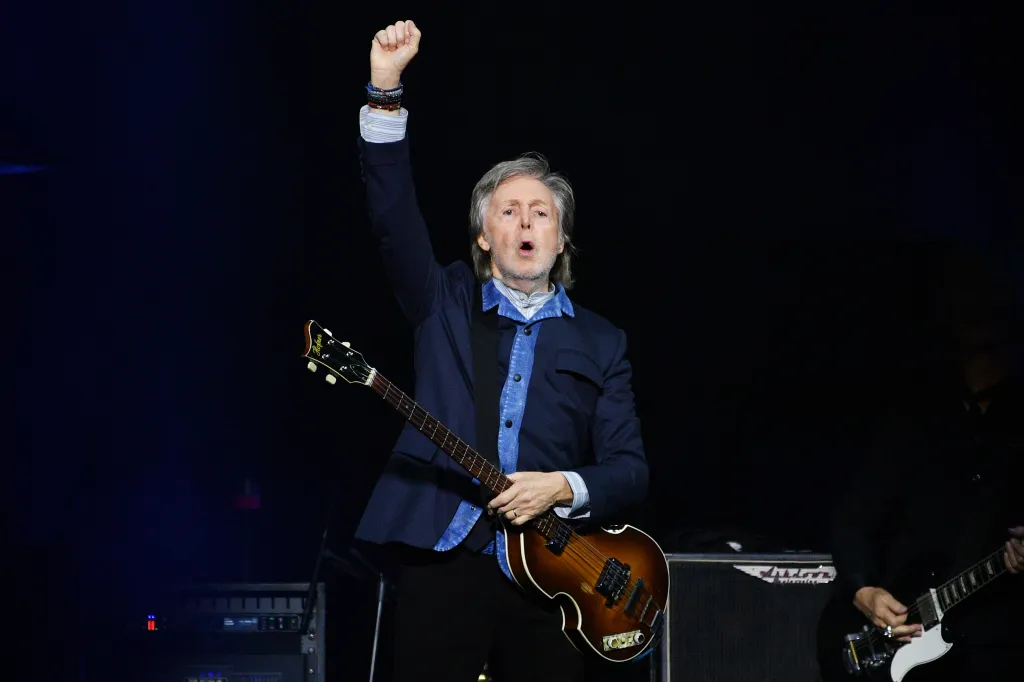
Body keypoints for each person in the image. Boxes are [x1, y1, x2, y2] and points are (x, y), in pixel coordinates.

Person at [349, 19, 650, 682]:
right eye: (507, 211)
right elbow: (392, 212)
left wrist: (562, 487)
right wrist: (385, 89)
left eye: (541, 213)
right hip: (443, 555)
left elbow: (630, 469)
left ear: (562, 239)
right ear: (483, 236)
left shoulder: (602, 340)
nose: (524, 222)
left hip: (550, 573)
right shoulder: (443, 301)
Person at [827, 251, 1023, 681]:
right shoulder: (914, 418)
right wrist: (865, 590)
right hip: (908, 643)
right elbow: (852, 518)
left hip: (999, 646)